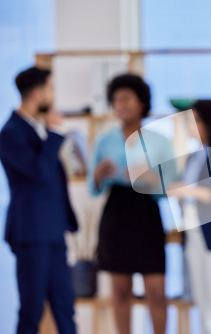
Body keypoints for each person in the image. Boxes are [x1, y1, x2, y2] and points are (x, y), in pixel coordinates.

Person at [88, 73, 175, 334]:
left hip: (147, 213)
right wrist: (98, 175)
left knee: (157, 291)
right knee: (120, 290)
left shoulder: (161, 142)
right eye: (115, 100)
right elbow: (93, 189)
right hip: (116, 213)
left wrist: (151, 179)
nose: (120, 105)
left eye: (126, 99)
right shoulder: (105, 140)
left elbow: (172, 188)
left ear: (141, 103)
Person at [0, 67, 78, 334]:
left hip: (54, 233)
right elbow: (38, 173)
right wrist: (55, 135)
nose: (53, 95)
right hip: (31, 233)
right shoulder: (11, 133)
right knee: (31, 310)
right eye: (51, 89)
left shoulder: (40, 129)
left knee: (66, 308)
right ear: (37, 94)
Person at [168, 100, 211, 334]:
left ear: (210, 123)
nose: (190, 125)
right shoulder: (193, 157)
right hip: (194, 236)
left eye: (195, 120)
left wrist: (190, 190)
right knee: (204, 305)